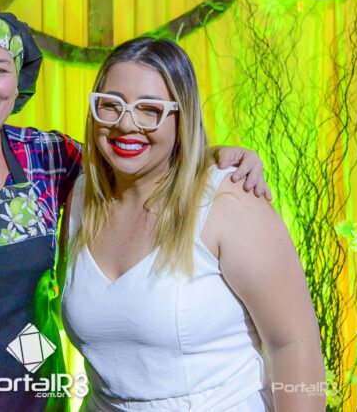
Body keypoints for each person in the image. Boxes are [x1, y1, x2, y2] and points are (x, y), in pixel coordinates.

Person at [0, 7, 271, 412]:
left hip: (36, 397)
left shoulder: (47, 158)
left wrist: (213, 157)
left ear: (18, 84)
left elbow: (135, 159)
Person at [60, 37, 325, 411]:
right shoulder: (80, 198)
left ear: (182, 116)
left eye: (150, 109)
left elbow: (293, 345)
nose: (125, 124)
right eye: (111, 105)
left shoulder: (230, 202)